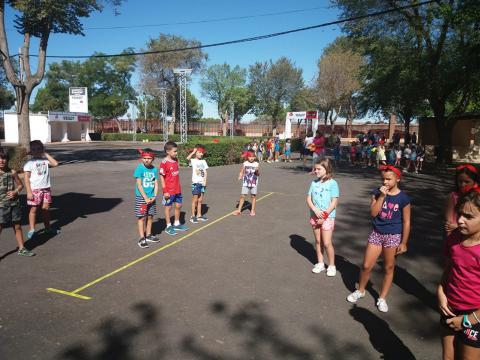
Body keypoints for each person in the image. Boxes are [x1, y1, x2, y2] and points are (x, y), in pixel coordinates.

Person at [347, 165, 411, 312]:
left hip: (393, 236)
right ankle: (361, 290)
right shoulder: (377, 192)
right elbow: (373, 213)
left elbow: (407, 222)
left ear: (398, 179)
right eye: (383, 179)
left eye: (389, 179)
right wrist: (382, 196)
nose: (385, 182)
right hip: (377, 233)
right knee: (366, 265)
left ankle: (382, 297)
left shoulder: (403, 198)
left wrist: (404, 242)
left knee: (388, 267)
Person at [438, 189, 480, 359]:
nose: (460, 220)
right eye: (460, 213)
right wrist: (440, 291)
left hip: (474, 315)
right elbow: (450, 267)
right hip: (449, 307)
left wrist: (467, 320)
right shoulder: (454, 238)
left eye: (469, 217)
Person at [307, 158, 339, 276]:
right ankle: (320, 263)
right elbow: (308, 198)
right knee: (318, 241)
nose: (316, 171)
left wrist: (324, 216)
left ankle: (331, 265)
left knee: (326, 242)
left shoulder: (332, 183)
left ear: (327, 169)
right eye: (315, 169)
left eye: (319, 169)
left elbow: (334, 202)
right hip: (314, 216)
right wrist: (314, 209)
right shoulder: (314, 183)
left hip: (327, 217)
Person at [0, 152, 35, 256]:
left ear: (7, 160)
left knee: (17, 226)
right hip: (1, 205)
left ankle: (21, 248)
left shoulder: (12, 172)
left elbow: (20, 185)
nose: (2, 161)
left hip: (14, 203)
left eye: (4, 159)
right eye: (0, 159)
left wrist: (15, 191)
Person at [23, 140, 59, 240]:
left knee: (45, 210)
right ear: (31, 151)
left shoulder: (45, 161)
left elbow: (55, 163)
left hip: (46, 189)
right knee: (33, 210)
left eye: (39, 149)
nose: (37, 151)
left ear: (42, 149)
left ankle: (47, 228)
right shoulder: (29, 163)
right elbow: (26, 179)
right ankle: (32, 229)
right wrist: (29, 192)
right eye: (34, 149)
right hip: (35, 190)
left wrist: (45, 154)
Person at [159, 141, 189, 236]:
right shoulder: (164, 162)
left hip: (177, 189)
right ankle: (168, 226)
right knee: (168, 208)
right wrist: (165, 191)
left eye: (177, 151)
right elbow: (162, 177)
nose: (176, 153)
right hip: (169, 191)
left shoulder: (176, 160)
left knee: (178, 206)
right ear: (168, 151)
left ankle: (176, 223)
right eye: (174, 151)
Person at [134, 148, 159, 248]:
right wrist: (145, 197)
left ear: (153, 159)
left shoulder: (154, 170)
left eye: (149, 158)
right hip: (142, 198)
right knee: (142, 217)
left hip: (151, 198)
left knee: (150, 216)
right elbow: (139, 185)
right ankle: (141, 238)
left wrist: (154, 196)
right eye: (144, 158)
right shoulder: (140, 168)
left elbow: (156, 184)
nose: (147, 160)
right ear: (142, 158)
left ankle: (148, 234)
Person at [445, 164, 479, 235]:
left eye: (467, 182)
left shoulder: (478, 196)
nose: (463, 184)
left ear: (475, 181)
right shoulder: (453, 196)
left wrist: (457, 227)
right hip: (455, 237)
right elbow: (449, 224)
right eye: (460, 181)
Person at [186, 144, 209, 223]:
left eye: (202, 153)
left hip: (202, 183)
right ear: (196, 152)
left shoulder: (203, 161)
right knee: (195, 200)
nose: (201, 154)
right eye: (199, 152)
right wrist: (193, 152)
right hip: (196, 183)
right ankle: (193, 216)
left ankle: (199, 215)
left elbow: (205, 171)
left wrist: (205, 181)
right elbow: (187, 158)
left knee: (200, 200)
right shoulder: (193, 160)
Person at [233, 151, 259, 216]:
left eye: (253, 157)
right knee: (242, 196)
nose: (251, 158)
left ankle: (252, 210)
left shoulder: (256, 164)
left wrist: (256, 171)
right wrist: (240, 175)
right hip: (246, 182)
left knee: (253, 196)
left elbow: (258, 174)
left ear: (255, 157)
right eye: (250, 156)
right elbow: (242, 171)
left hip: (253, 183)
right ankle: (239, 210)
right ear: (247, 157)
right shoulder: (245, 163)